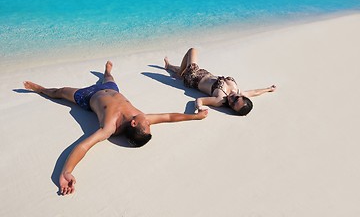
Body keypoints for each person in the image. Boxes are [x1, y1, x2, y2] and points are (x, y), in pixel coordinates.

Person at [23, 61, 208, 195]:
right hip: (113, 89)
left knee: (61, 92)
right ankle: (106, 71)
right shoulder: (141, 118)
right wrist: (195, 116)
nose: (150, 121)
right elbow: (169, 117)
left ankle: (41, 89)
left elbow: (84, 146)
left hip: (88, 97)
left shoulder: (109, 127)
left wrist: (67, 171)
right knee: (109, 78)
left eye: (147, 125)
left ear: (134, 123)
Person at [164, 48, 276, 115]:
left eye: (231, 104)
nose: (231, 99)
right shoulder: (239, 91)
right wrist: (268, 89)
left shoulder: (220, 100)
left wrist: (199, 108)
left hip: (192, 77)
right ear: (242, 97)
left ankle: (179, 74)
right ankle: (169, 66)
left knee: (192, 50)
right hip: (204, 73)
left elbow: (200, 100)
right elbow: (254, 92)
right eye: (236, 99)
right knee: (181, 68)